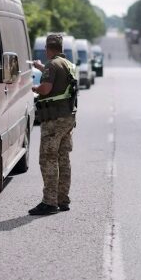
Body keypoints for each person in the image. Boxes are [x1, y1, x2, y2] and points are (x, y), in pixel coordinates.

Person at [28, 34, 78, 216]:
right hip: (67, 119)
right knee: (63, 158)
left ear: (48, 49)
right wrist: (41, 67)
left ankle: (49, 202)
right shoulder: (68, 65)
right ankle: (62, 199)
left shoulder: (52, 65)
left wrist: (35, 89)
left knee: (48, 158)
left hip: (54, 120)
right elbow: (59, 80)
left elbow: (47, 88)